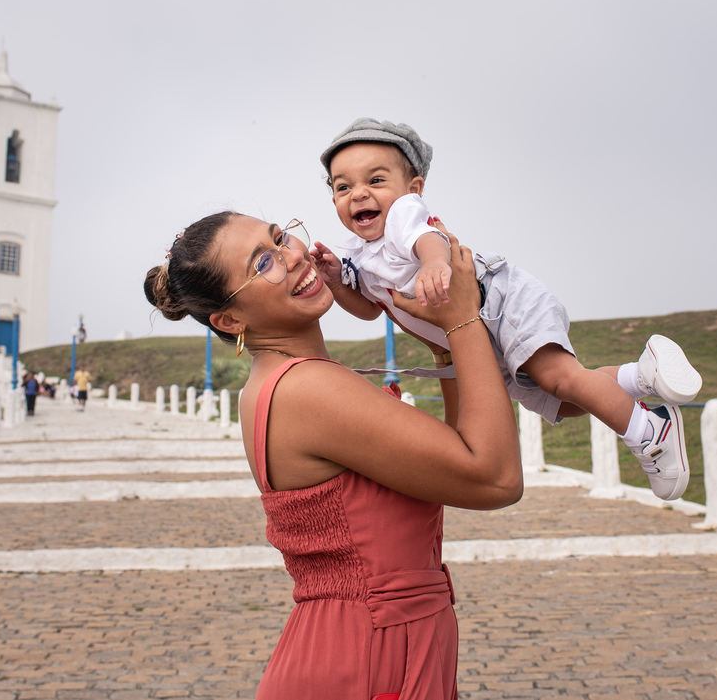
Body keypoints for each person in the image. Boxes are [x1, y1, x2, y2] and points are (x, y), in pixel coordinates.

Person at [145, 211, 521, 698]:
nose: (293, 256)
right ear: (230, 320)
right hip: (369, 656)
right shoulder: (308, 388)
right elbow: (494, 478)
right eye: (263, 263)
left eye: (281, 237)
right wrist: (463, 318)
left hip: (364, 645)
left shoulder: (278, 382)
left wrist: (442, 344)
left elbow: (452, 460)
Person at [312, 119, 703, 501]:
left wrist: (433, 263)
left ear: (412, 189)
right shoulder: (359, 257)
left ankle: (650, 431)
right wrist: (336, 283)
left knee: (559, 378)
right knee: (564, 401)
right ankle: (641, 375)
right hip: (479, 339)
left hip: (500, 303)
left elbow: (429, 239)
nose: (358, 194)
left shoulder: (403, 217)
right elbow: (369, 311)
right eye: (343, 187)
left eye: (376, 180)